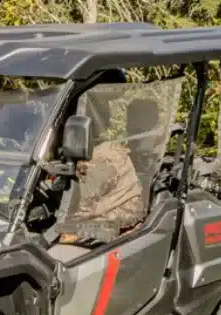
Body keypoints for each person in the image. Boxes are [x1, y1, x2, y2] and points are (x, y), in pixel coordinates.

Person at [57, 95, 158, 244]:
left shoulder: (102, 156)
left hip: (104, 227)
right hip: (103, 222)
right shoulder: (99, 152)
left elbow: (80, 206)